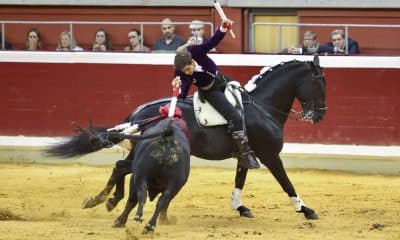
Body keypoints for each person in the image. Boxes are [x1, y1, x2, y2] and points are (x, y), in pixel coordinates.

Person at [171, 19, 260, 169]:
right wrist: (178, 88)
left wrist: (223, 28)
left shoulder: (196, 51)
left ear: (191, 60)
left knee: (245, 99)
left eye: (188, 69)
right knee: (234, 116)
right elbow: (184, 92)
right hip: (210, 91)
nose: (187, 73)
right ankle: (245, 153)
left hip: (222, 79)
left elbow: (212, 42)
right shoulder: (180, 72)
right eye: (184, 71)